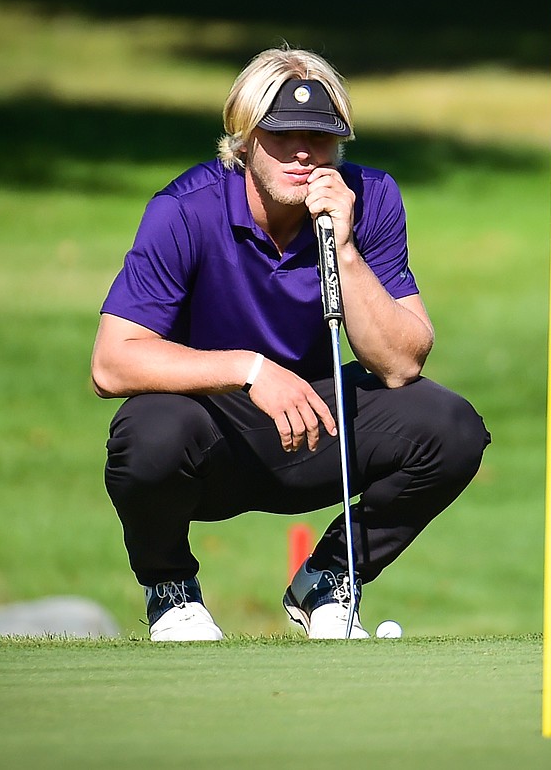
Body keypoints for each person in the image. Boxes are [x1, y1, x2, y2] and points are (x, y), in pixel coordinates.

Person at [91, 46, 490, 641]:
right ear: (245, 138)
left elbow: (402, 363)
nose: (304, 154)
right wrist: (252, 368)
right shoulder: (183, 211)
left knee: (450, 427)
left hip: (317, 421)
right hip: (213, 433)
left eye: (321, 138)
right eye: (282, 136)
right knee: (147, 434)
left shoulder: (369, 199)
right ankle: (171, 590)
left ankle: (331, 579)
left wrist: (345, 248)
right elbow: (112, 361)